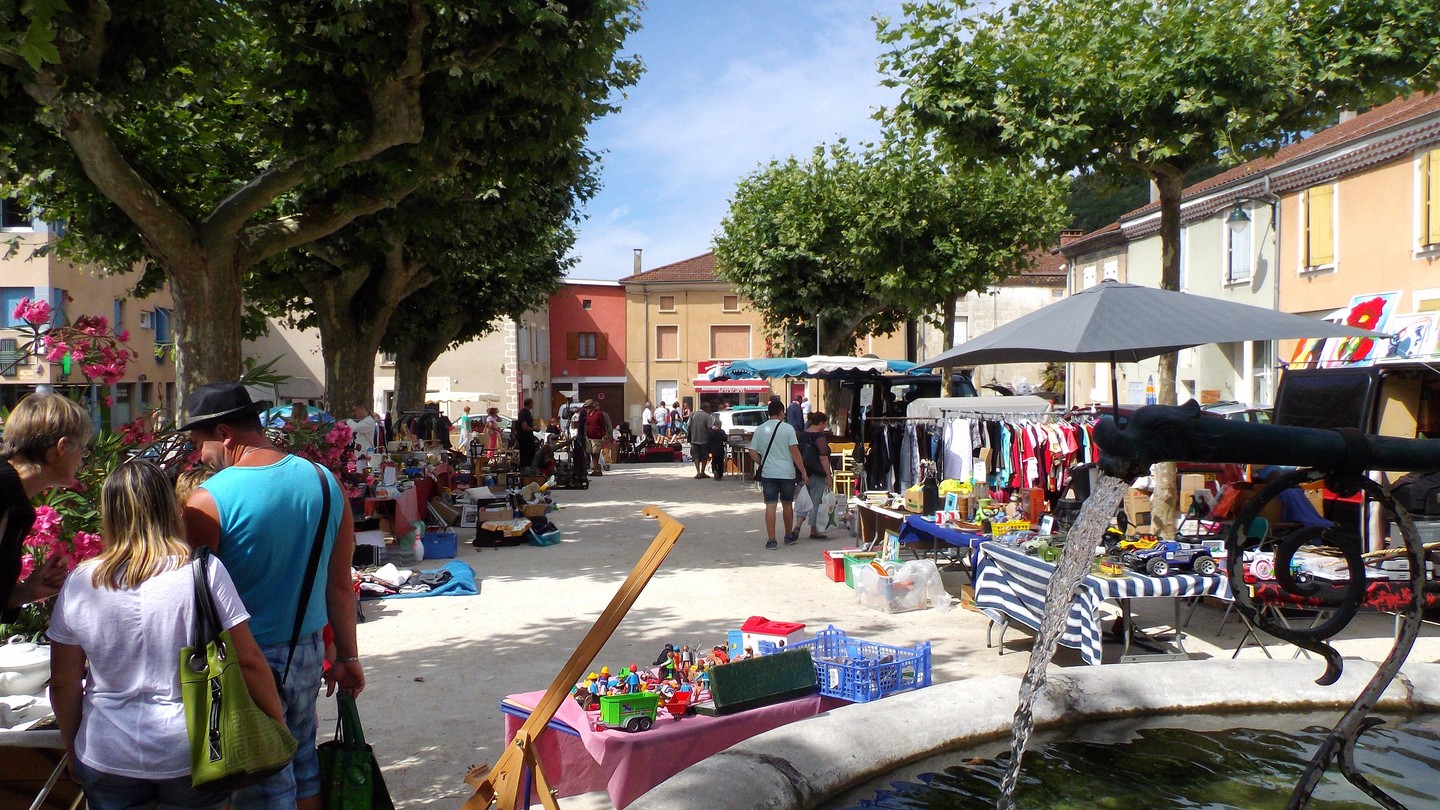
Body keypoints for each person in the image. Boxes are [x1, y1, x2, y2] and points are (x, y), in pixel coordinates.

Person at [49, 461, 285, 809]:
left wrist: (73, 746)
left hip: (106, 749)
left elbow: (63, 681)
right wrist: (276, 722)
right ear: (169, 506)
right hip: (190, 747)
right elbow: (248, 660)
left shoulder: (81, 582)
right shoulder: (203, 571)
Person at [180, 382, 363, 810]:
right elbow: (340, 584)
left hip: (243, 663)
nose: (197, 457)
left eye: (198, 444)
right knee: (302, 765)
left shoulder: (207, 501)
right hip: (306, 651)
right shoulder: (324, 482)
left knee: (259, 784)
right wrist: (347, 657)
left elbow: (192, 599)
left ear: (224, 434)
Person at [0, 393, 92, 623]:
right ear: (61, 447)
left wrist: (27, 591)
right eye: (82, 449)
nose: (82, 460)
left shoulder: (13, 496)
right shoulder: (3, 492)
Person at [747, 400, 809, 550]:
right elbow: (795, 451)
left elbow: (752, 451)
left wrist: (762, 462)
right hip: (787, 472)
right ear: (782, 412)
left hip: (769, 473)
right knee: (787, 504)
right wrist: (803, 472)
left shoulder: (760, 429)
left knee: (770, 505)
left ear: (768, 412)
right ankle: (788, 535)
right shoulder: (788, 429)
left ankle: (771, 539)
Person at [795, 412, 834, 539]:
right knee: (815, 501)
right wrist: (828, 475)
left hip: (803, 472)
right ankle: (813, 530)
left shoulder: (801, 435)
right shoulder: (820, 437)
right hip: (817, 473)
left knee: (803, 500)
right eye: (825, 423)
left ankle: (797, 526)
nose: (825, 426)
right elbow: (823, 458)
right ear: (821, 423)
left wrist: (801, 471)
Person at [583, 400, 611, 476]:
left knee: (596, 452)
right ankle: (595, 469)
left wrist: (604, 435)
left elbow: (603, 425)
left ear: (592, 406)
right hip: (589, 437)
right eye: (586, 407)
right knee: (592, 453)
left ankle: (599, 469)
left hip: (597, 437)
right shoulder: (588, 414)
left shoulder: (599, 414)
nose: (587, 408)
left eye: (588, 407)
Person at [687, 402, 713, 479]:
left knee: (696, 456)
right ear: (706, 408)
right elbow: (709, 427)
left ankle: (698, 472)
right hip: (704, 439)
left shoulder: (693, 414)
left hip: (694, 438)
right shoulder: (707, 416)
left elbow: (688, 425)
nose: (709, 409)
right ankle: (702, 472)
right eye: (708, 408)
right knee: (704, 456)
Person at [516, 397, 537, 470]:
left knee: (531, 453)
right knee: (526, 455)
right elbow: (524, 427)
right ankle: (525, 469)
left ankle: (528, 468)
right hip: (525, 438)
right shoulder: (523, 413)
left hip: (528, 437)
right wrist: (534, 429)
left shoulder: (527, 412)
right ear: (530, 403)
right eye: (532, 403)